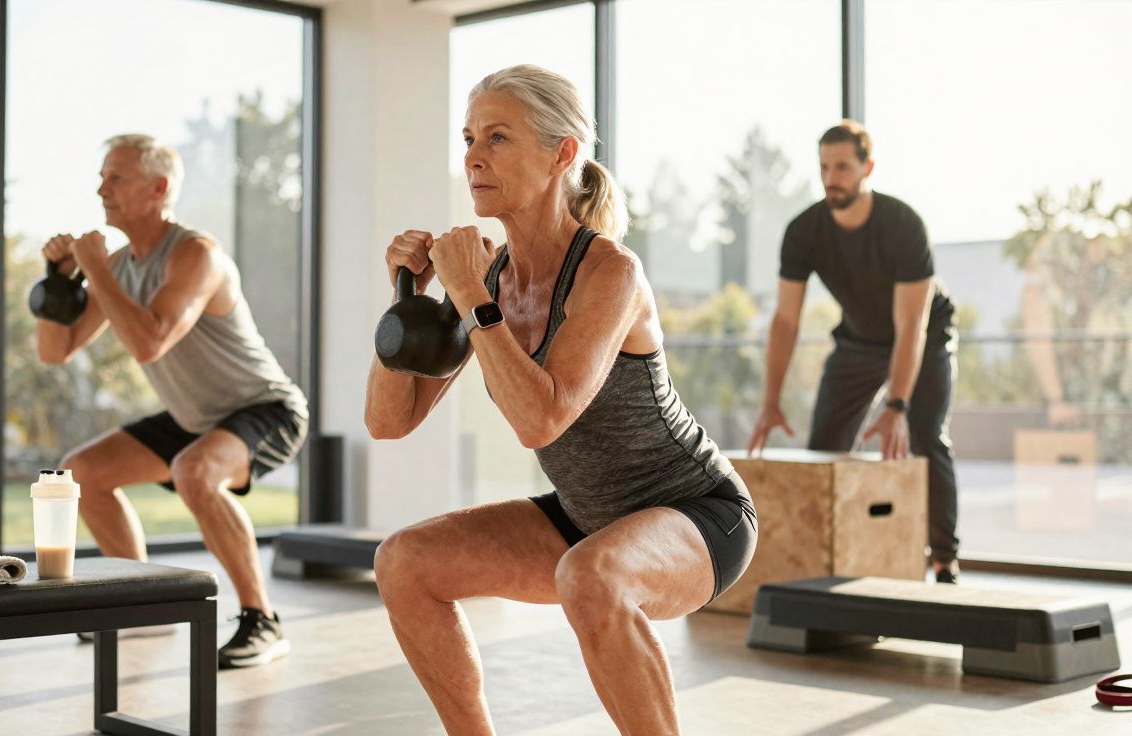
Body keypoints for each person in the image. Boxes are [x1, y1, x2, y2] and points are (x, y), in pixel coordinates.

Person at [365, 65, 757, 735]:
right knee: (403, 562)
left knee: (592, 576)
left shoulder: (610, 271)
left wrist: (470, 299)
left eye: (497, 138)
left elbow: (541, 418)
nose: (474, 158)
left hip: (695, 514)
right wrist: (407, 303)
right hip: (585, 518)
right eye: (467, 139)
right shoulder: (485, 277)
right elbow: (389, 420)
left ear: (562, 153)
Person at [36, 134, 308, 668]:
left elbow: (149, 340)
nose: (101, 189)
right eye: (101, 176)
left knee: (195, 472)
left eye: (115, 177)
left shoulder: (196, 255)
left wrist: (94, 269)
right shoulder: (117, 265)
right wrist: (59, 281)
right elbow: (57, 350)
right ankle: (145, 607)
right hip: (195, 416)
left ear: (159, 188)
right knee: (81, 472)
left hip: (263, 408)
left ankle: (263, 619)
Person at [747, 119, 961, 583]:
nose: (831, 178)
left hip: (923, 331)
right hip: (859, 338)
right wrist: (769, 403)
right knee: (823, 448)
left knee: (925, 436)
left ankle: (943, 560)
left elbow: (911, 326)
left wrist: (897, 405)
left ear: (868, 167)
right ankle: (821, 561)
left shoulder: (903, 225)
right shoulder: (804, 231)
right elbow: (785, 321)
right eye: (824, 167)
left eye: (843, 166)